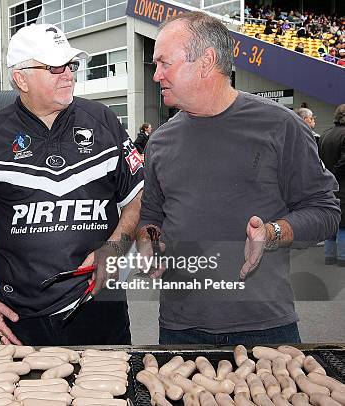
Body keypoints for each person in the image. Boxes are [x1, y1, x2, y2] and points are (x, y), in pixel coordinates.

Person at [137, 11, 339, 345]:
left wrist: (273, 232)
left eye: (163, 63)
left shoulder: (280, 126)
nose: (156, 75)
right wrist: (151, 241)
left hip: (264, 325)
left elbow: (325, 211)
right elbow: (151, 216)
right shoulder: (159, 141)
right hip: (179, 326)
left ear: (206, 61)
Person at [0, 23, 144, 346]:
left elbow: (137, 196)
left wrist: (113, 250)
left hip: (99, 303)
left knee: (108, 395)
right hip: (22, 312)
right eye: (54, 67)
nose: (69, 74)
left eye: (70, 65)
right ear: (21, 78)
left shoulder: (103, 120)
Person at [319, 105, 345, 266]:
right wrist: (335, 174)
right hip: (342, 185)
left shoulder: (325, 134)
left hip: (327, 187)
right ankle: (343, 258)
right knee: (344, 225)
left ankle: (329, 256)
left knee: (332, 223)